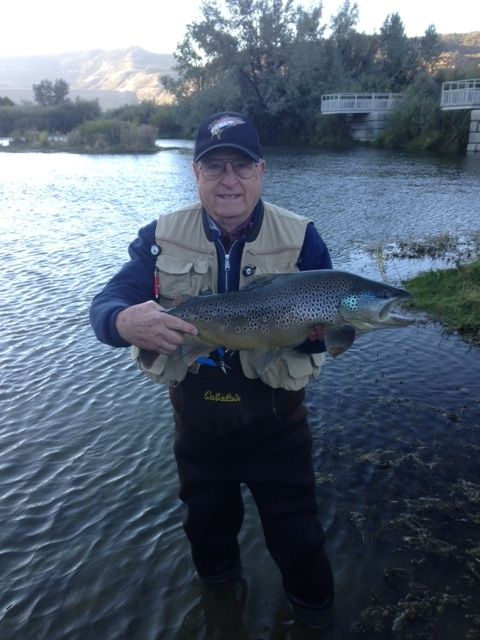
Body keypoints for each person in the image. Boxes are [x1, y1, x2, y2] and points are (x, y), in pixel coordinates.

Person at [89, 111, 335, 630]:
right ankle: (221, 613)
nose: (229, 180)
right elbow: (107, 304)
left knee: (300, 543)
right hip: (198, 428)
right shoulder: (159, 237)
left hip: (277, 425)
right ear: (195, 173)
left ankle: (315, 620)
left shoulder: (303, 239)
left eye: (241, 167)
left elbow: (323, 342)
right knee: (208, 540)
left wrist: (319, 337)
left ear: (261, 172)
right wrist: (123, 320)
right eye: (215, 166)